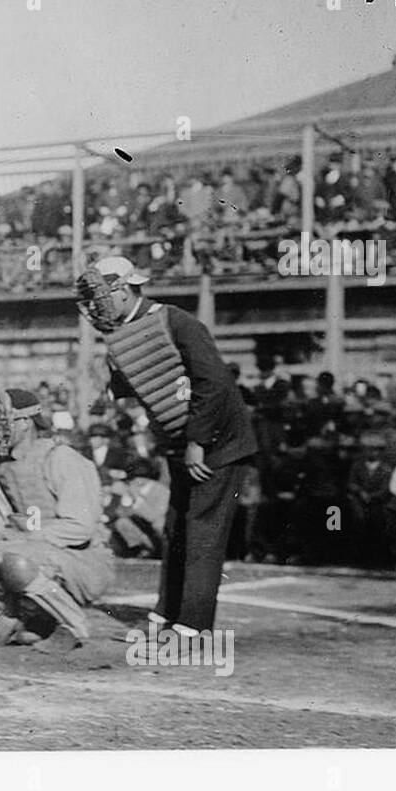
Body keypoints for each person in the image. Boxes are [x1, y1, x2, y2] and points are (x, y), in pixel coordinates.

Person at [77, 256, 256, 640]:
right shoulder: (127, 331)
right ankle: (168, 615)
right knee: (176, 528)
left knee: (202, 532)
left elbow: (214, 383)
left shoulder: (177, 321)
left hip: (216, 443)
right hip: (181, 441)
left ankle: (192, 627)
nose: (97, 306)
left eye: (102, 296)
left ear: (125, 290)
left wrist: (197, 441)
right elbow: (149, 381)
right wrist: (107, 383)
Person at [0, 388, 115, 653]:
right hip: (37, 551)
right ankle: (33, 615)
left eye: (1, 420)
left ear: (25, 422)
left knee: (15, 560)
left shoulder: (61, 458)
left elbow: (80, 528)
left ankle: (74, 624)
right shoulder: (1, 467)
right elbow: (0, 528)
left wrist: (23, 541)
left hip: (85, 560)